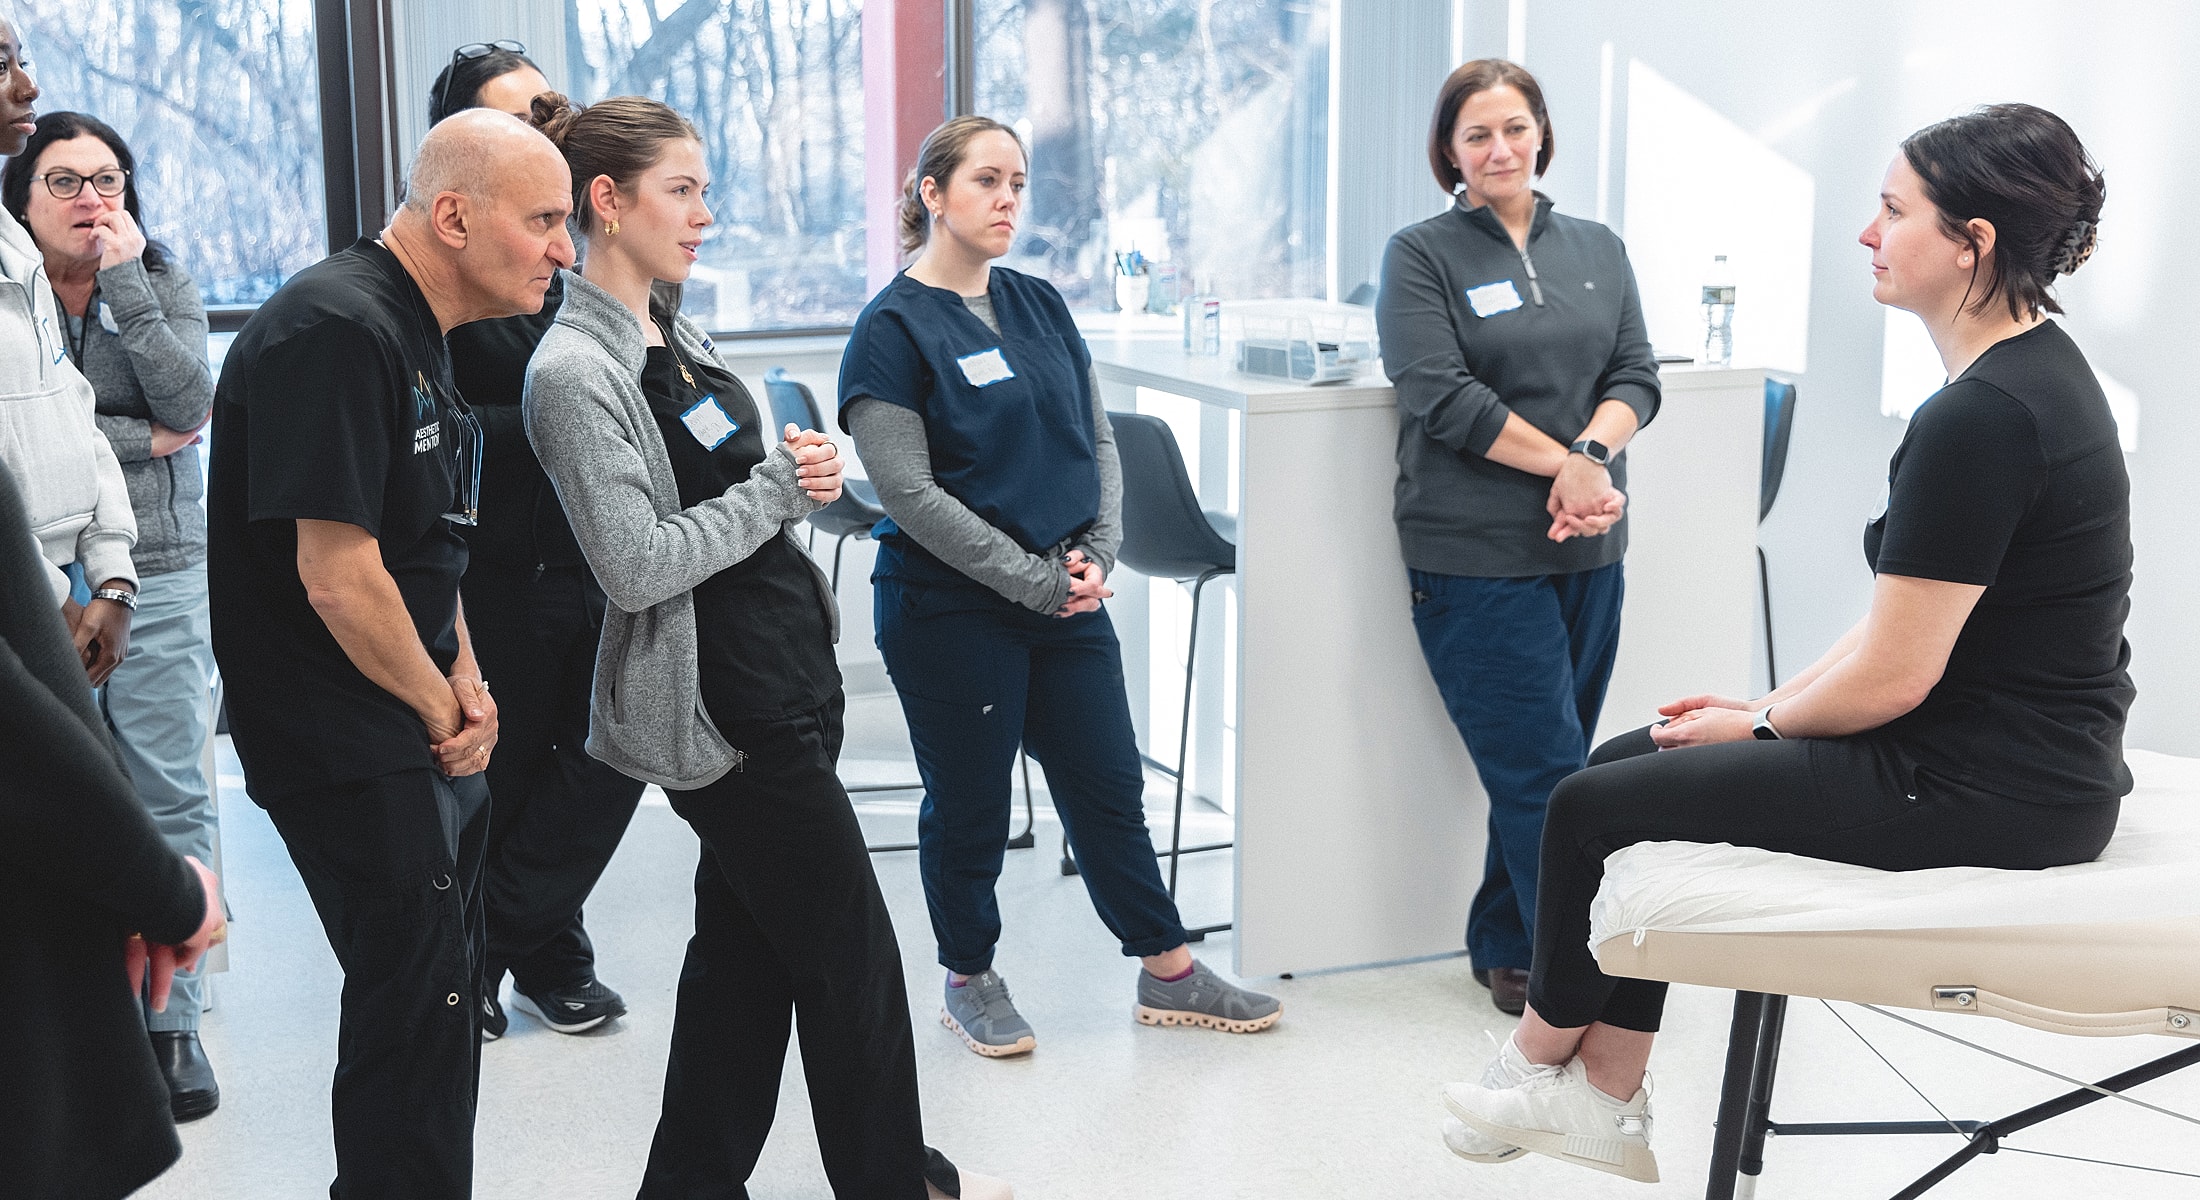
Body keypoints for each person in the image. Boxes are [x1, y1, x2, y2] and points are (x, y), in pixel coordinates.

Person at [1441, 104, 2127, 1184]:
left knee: (1585, 806)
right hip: (2013, 761)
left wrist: (1756, 727)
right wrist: (1759, 710)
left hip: (1988, 783)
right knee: (1633, 758)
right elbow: (1900, 626)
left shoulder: (1982, 418)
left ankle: (1540, 1069)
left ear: (1972, 242)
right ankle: (1605, 1093)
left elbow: (1898, 676)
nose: (1866, 233)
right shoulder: (2021, 378)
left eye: (1893, 212)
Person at [521, 92, 1010, 1200]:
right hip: (724, 714)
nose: (704, 213)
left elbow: (733, 491)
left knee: (743, 960)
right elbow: (636, 564)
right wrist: (775, 491)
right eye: (681, 191)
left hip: (784, 675)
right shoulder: (570, 372)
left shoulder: (673, 326)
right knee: (853, 964)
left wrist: (795, 480)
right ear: (608, 199)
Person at [839, 115, 1280, 1059]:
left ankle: (1166, 968)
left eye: (1019, 183)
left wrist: (1097, 556)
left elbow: (1097, 439)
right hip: (949, 606)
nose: (1008, 200)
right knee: (971, 804)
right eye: (987, 181)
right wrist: (1034, 581)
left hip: (1064, 593)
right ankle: (968, 975)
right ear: (932, 194)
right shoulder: (889, 331)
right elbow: (910, 495)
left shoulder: (1039, 303)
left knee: (1108, 787)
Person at [206, 110, 573, 1197]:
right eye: (544, 219)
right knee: (412, 1012)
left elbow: (422, 542)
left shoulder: (416, 329)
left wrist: (464, 676)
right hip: (340, 730)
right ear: (453, 216)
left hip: (400, 712)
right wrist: (437, 706)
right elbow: (337, 572)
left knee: (444, 1000)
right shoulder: (334, 328)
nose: (564, 246)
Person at [1374, 58, 1658, 1022]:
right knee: (1545, 772)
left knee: (1557, 760)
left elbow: (1635, 372)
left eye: (1515, 128)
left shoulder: (1599, 246)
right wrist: (1571, 469)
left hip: (1588, 547)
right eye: (1477, 135)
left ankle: (1505, 942)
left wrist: (1590, 454)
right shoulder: (1421, 254)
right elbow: (1439, 395)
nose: (1500, 149)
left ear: (1542, 132)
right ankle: (1572, 970)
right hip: (1473, 554)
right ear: (1448, 153)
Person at [3, 110, 222, 1119]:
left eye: (109, 179)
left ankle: (176, 1028)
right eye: (65, 182)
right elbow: (92, 435)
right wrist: (146, 435)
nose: (93, 199)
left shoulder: (157, 278)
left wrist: (129, 287)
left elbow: (193, 400)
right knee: (71, 790)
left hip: (161, 564)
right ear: (21, 199)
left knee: (172, 784)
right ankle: (96, 1002)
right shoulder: (15, 298)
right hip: (35, 573)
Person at [432, 38, 642, 1042]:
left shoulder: (580, 260)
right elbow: (446, 422)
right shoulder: (449, 269)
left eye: (550, 115)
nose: (543, 134)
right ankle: (517, 959)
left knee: (602, 754)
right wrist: (567, 414)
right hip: (496, 568)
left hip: (596, 556)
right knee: (504, 769)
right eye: (520, 120)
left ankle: (518, 939)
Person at [0, 52, 138, 697]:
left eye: (20, 61)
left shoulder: (16, 251)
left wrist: (112, 579)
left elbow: (75, 411)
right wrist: (51, 599)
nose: (28, 85)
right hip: (26, 590)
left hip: (65, 577)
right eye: (0, 64)